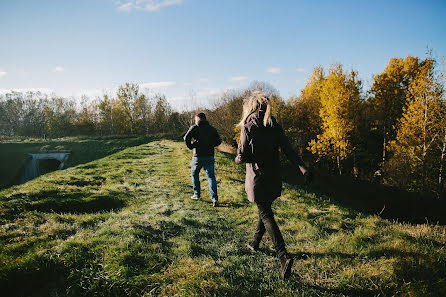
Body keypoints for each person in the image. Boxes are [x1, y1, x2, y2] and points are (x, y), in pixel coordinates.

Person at [235, 91, 309, 279]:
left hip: (258, 177)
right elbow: (288, 150)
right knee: (265, 208)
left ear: (250, 106)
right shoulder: (273, 124)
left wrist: (238, 158)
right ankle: (255, 243)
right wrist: (302, 168)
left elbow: (242, 155)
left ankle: (283, 256)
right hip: (274, 175)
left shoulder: (248, 125)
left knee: (266, 213)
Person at [184, 112, 222, 207]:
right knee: (211, 177)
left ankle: (197, 195)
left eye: (196, 119)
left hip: (198, 156)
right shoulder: (212, 129)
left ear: (199, 119)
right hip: (209, 155)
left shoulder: (195, 127)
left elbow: (186, 138)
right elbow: (219, 141)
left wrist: (191, 146)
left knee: (194, 174)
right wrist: (211, 145)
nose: (195, 121)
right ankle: (214, 198)